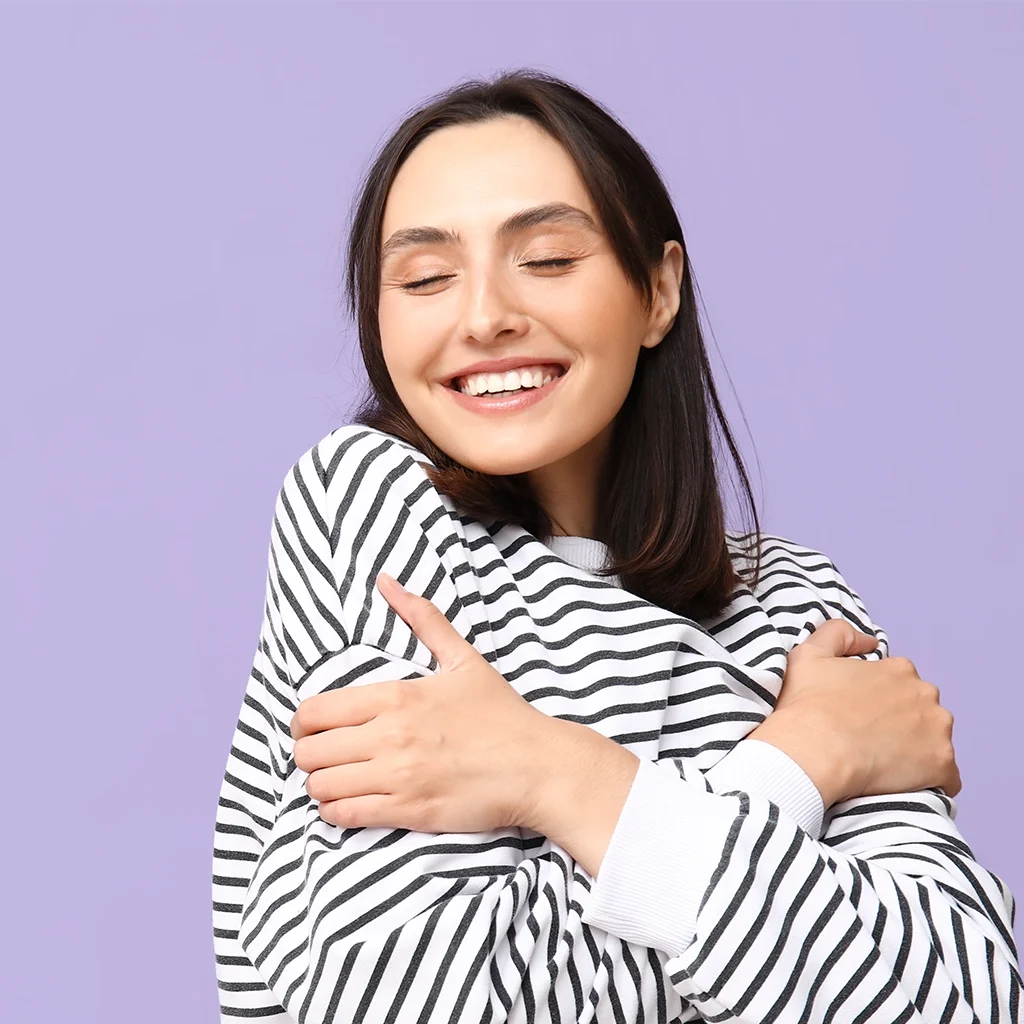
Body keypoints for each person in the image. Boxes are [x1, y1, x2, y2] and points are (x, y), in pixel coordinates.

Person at [211, 69, 1021, 1022]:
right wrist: (792, 764)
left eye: (547, 259)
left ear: (658, 291)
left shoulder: (791, 604)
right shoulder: (369, 504)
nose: (482, 317)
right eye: (426, 277)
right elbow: (399, 995)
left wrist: (545, 773)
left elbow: (963, 996)